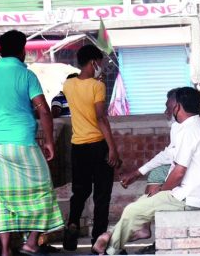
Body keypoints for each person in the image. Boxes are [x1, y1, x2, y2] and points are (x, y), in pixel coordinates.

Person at [97, 87, 200, 255]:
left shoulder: (190, 130)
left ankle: (110, 249)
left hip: (191, 197)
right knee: (142, 202)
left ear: (177, 107)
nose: (166, 110)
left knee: (133, 210)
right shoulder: (193, 127)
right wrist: (138, 173)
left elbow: (179, 172)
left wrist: (162, 190)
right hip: (193, 193)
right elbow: (169, 155)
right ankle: (113, 238)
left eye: (168, 105)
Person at [0, 30, 63, 256]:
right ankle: (31, 242)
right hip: (23, 142)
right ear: (21, 50)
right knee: (43, 190)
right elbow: (44, 110)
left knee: (4, 196)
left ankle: (5, 250)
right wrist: (49, 141)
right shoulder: (27, 76)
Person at [62, 45, 122, 251]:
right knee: (102, 194)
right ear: (92, 62)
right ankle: (98, 239)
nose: (103, 66)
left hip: (78, 145)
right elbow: (100, 118)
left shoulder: (68, 84)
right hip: (98, 145)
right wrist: (112, 148)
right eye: (101, 62)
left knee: (80, 191)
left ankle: (72, 223)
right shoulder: (97, 87)